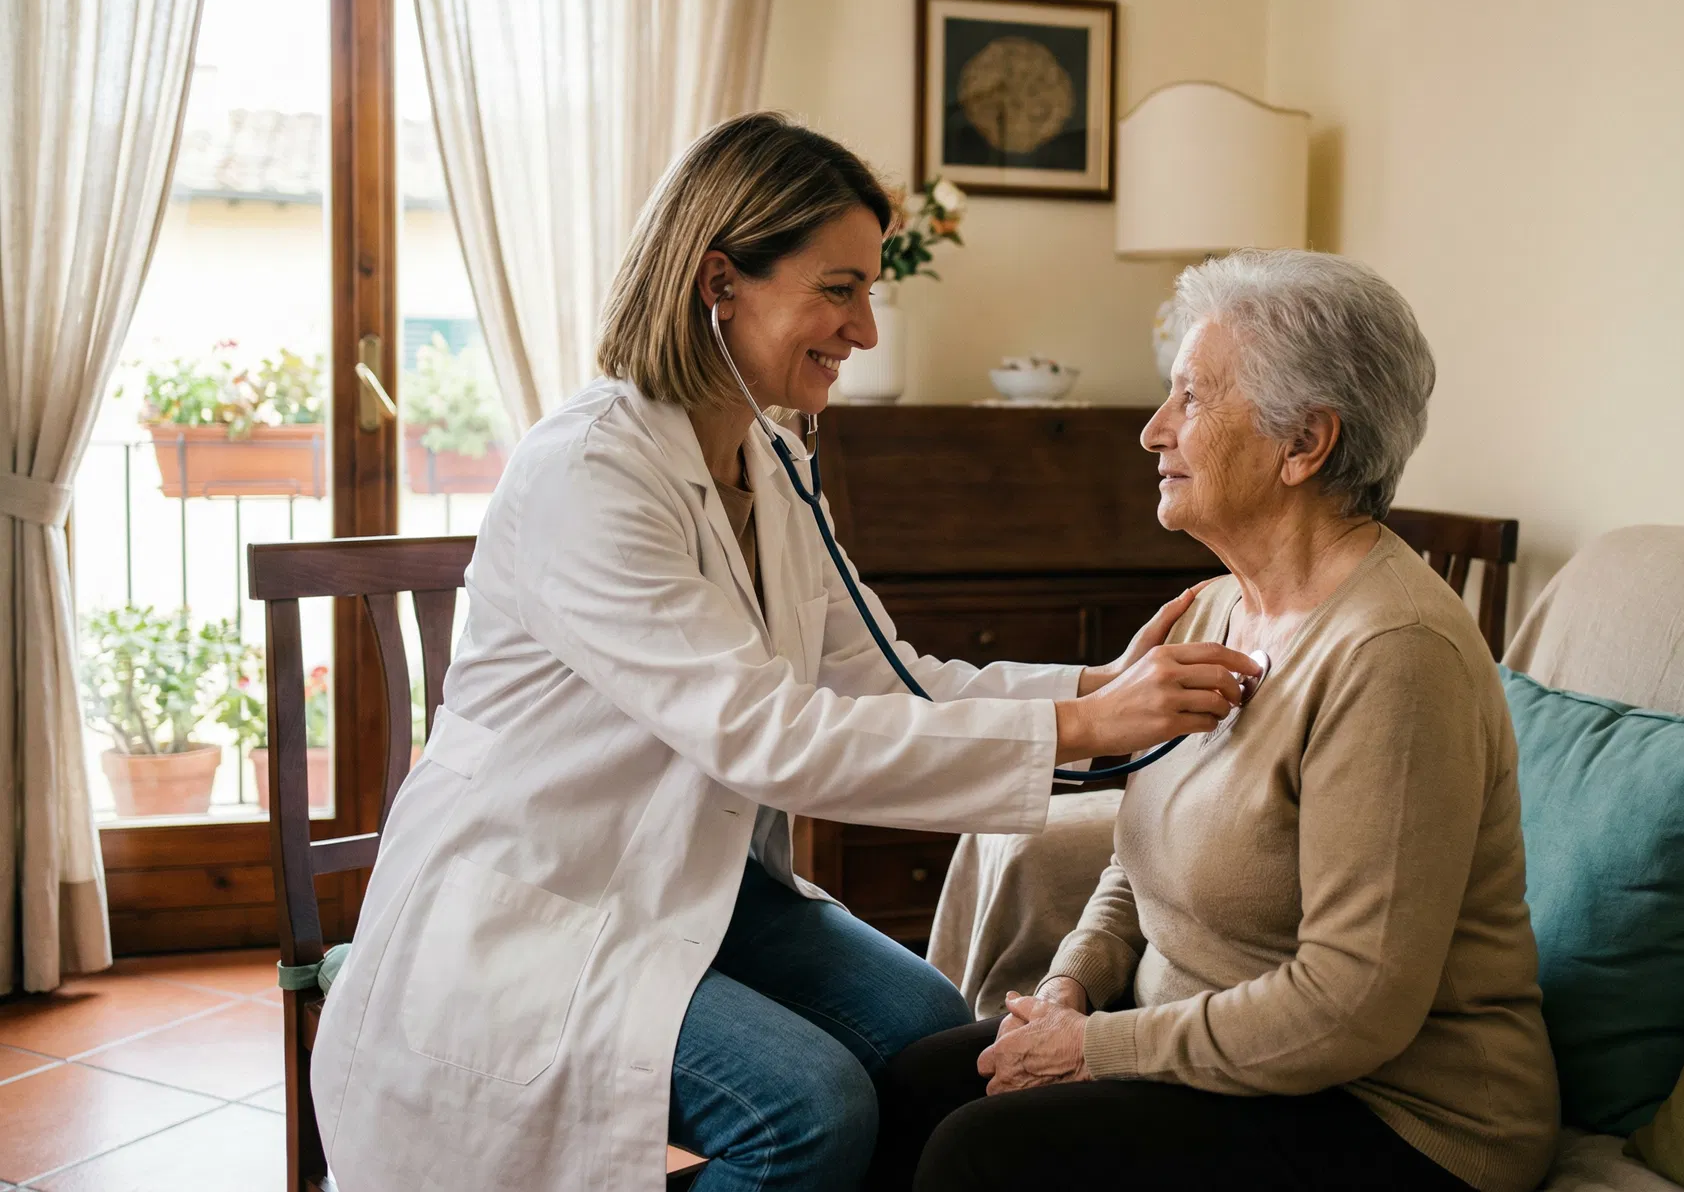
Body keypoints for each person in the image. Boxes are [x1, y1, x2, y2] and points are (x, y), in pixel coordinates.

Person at [306, 112, 1260, 1192]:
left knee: (928, 1032)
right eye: (839, 289)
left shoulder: (770, 457)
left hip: (695, 880)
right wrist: (1088, 724)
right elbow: (766, 735)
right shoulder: (589, 471)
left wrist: (1103, 685)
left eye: (867, 292)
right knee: (809, 1112)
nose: (864, 331)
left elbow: (888, 677)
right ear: (721, 280)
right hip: (544, 898)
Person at [869, 250, 1559, 1192]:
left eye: (1191, 400)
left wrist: (1096, 1049)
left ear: (1304, 443)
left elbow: (1351, 1007)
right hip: (1219, 1063)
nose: (1154, 431)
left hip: (1399, 1115)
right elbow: (1137, 855)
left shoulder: (1394, 654)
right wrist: (1073, 985)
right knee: (912, 1087)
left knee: (978, 1155)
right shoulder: (1210, 609)